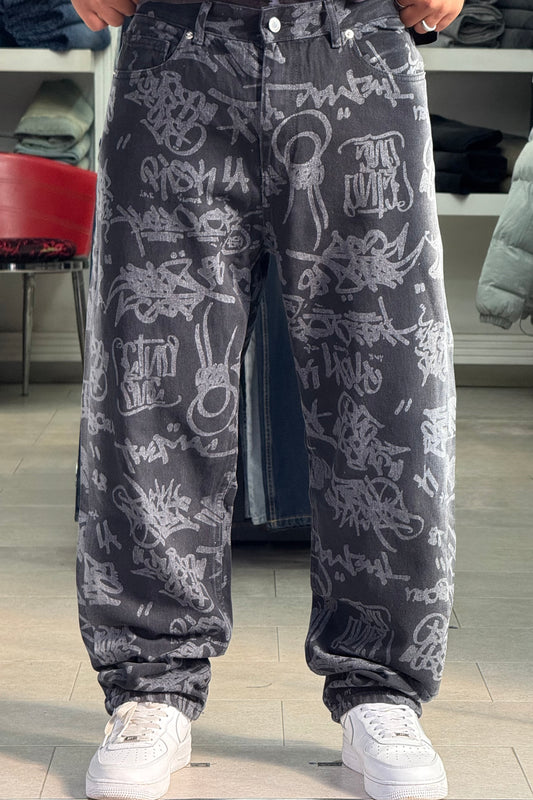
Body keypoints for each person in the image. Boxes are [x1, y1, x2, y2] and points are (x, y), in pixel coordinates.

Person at [72, 0, 461, 794]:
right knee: (151, 388)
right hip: (178, 52)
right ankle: (151, 686)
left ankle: (380, 688)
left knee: (386, 387)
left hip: (353, 50)